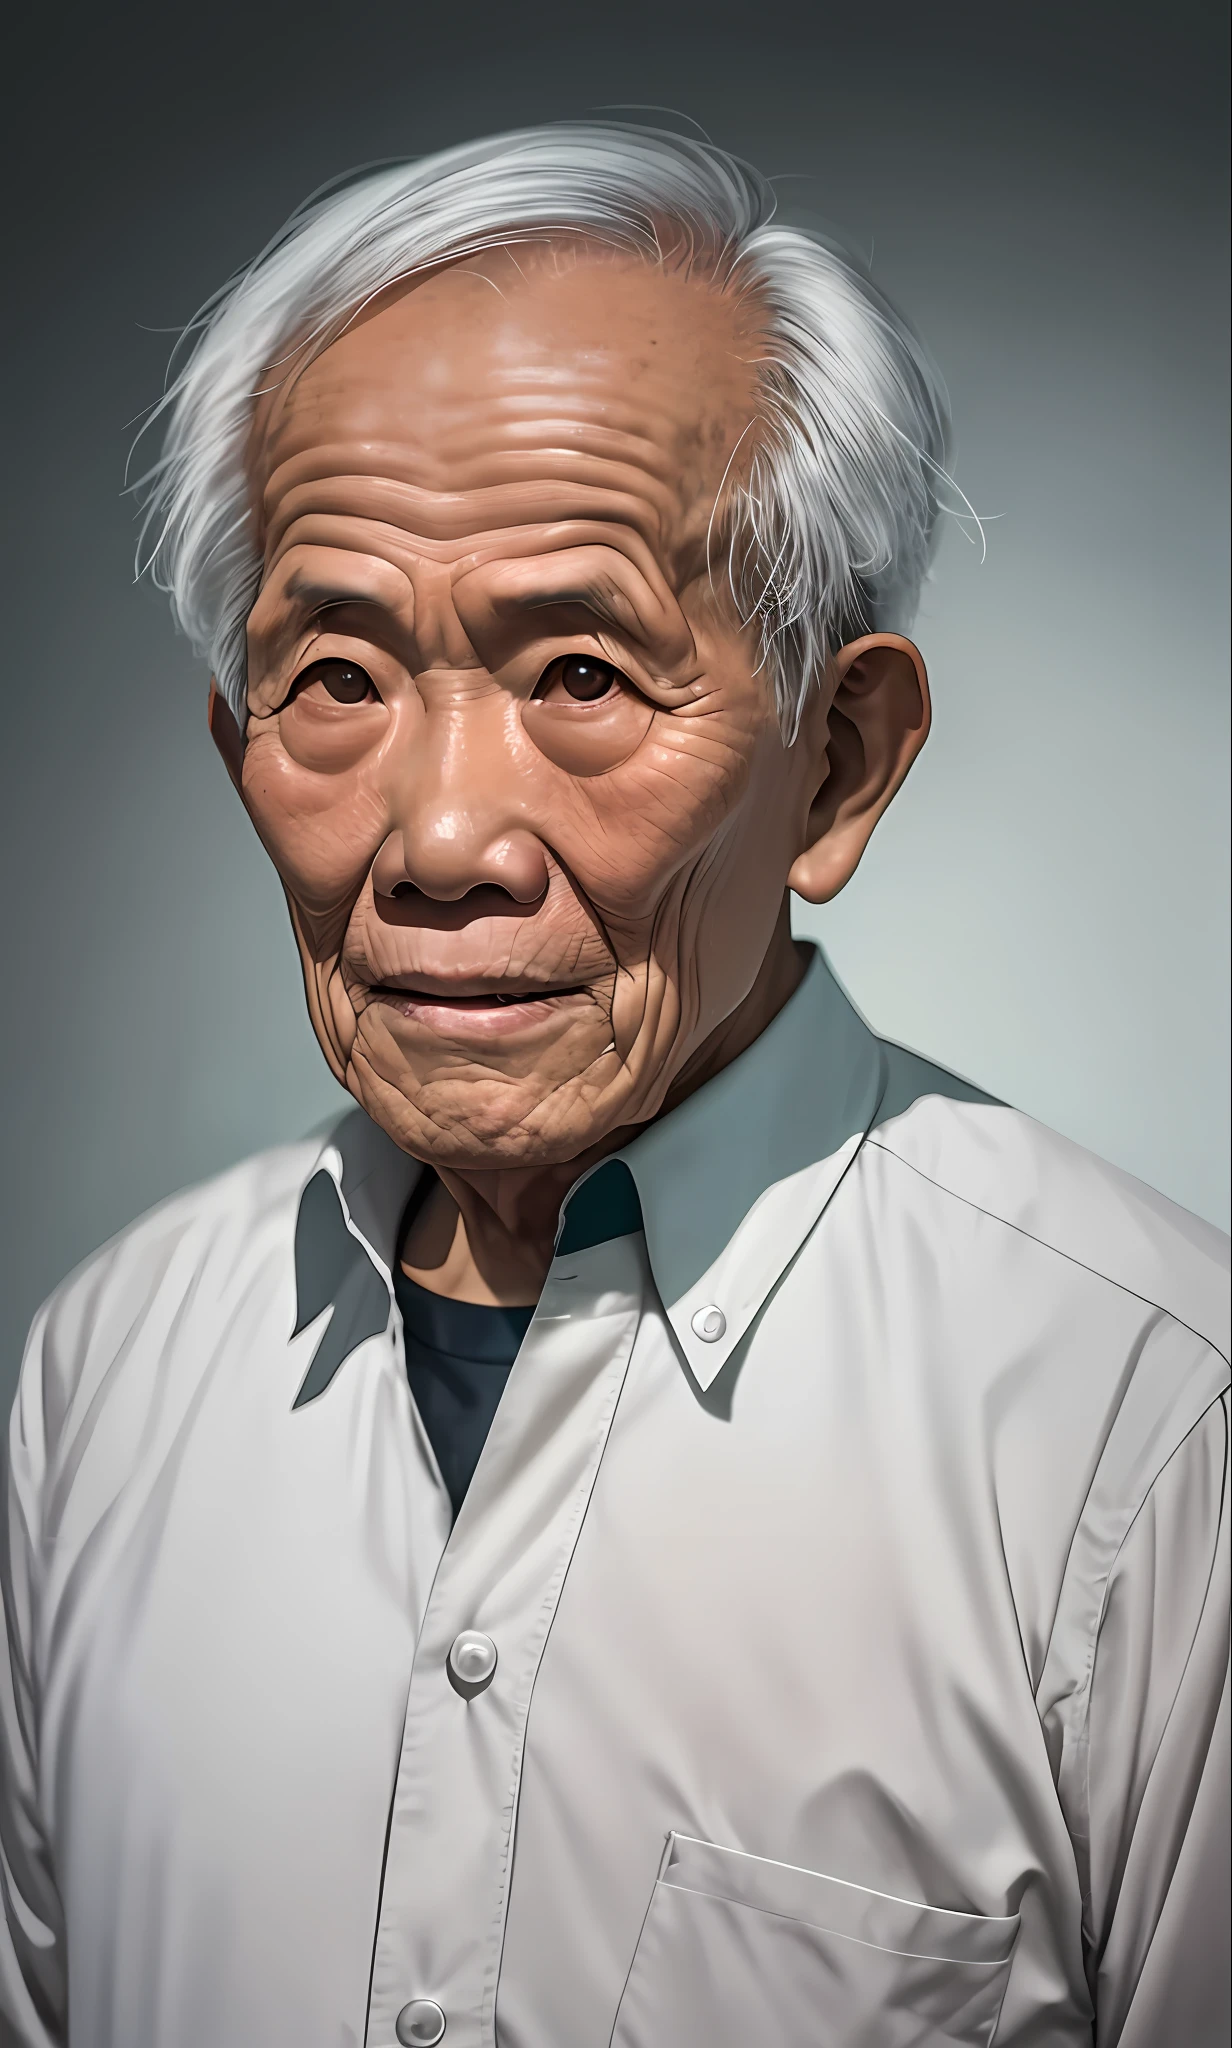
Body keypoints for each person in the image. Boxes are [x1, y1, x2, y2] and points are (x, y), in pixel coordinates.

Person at [1, 124, 1226, 2048]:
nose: (442, 836)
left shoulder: (1146, 1438)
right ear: (235, 740)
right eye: (337, 677)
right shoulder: (107, 1375)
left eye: (581, 672)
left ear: (837, 764)